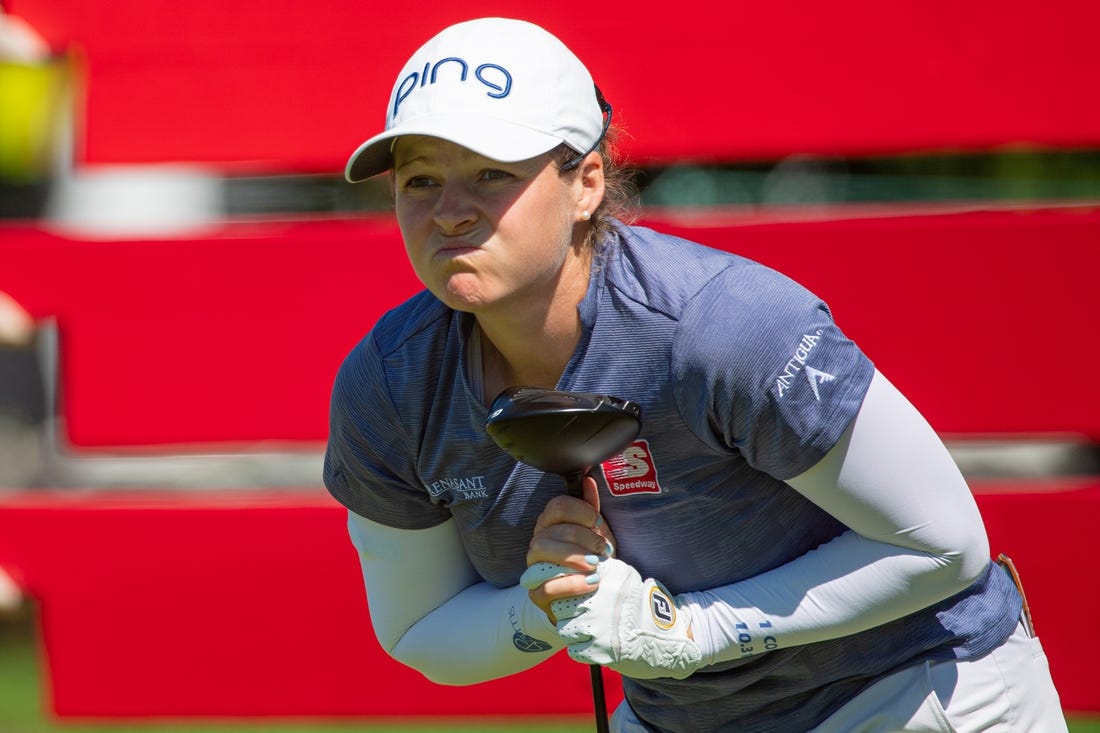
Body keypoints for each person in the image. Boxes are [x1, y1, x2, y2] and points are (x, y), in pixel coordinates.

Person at [323, 17, 1067, 732]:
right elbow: (418, 625)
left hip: (921, 690)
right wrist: (544, 606)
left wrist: (689, 632)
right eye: (419, 180)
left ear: (586, 182)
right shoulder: (388, 385)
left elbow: (942, 544)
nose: (450, 212)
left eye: (490, 173)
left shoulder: (722, 325)